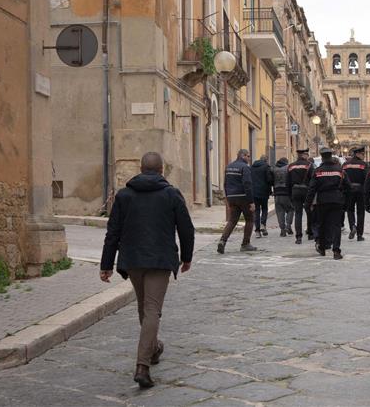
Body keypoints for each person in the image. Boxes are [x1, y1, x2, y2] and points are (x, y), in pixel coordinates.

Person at [100, 152, 195, 389]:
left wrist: (106, 264)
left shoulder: (124, 195)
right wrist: (186, 258)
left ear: (141, 169)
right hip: (160, 259)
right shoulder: (171, 194)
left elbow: (113, 232)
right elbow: (187, 229)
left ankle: (154, 349)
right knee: (152, 310)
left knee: (145, 308)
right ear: (162, 170)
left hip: (132, 260)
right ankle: (142, 366)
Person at [306, 148, 350, 260]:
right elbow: (348, 187)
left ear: (322, 157)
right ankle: (336, 250)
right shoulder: (340, 170)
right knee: (336, 226)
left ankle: (321, 247)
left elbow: (312, 189)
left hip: (322, 201)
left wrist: (308, 203)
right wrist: (345, 200)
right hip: (337, 200)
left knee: (321, 224)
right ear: (331, 156)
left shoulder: (318, 171)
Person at [218, 149, 256, 253]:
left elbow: (225, 183)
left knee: (232, 220)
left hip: (231, 196)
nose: (249, 158)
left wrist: (227, 197)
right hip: (243, 197)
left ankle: (222, 241)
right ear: (243, 156)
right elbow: (247, 184)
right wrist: (251, 202)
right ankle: (245, 244)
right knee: (250, 219)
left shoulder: (229, 166)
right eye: (248, 156)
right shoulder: (245, 167)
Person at [287, 148, 315, 244]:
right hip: (306, 191)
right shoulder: (309, 165)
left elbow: (288, 182)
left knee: (298, 214)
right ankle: (310, 233)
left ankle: (298, 237)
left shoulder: (291, 166)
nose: (307, 156)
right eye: (306, 154)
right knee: (309, 213)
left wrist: (290, 195)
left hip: (295, 191)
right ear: (303, 155)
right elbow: (313, 181)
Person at [342, 146, 369, 241]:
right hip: (360, 190)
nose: (363, 156)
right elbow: (367, 179)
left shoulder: (345, 164)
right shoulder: (363, 164)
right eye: (362, 154)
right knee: (360, 212)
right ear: (357, 154)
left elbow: (342, 178)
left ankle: (352, 226)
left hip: (349, 190)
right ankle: (359, 235)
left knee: (350, 210)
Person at [250, 155, 273, 238]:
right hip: (264, 191)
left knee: (256, 211)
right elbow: (269, 180)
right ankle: (263, 224)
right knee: (264, 208)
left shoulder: (252, 167)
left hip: (254, 192)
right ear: (266, 160)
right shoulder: (266, 167)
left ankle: (257, 231)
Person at [272, 157, 294, 237]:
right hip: (286, 192)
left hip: (277, 193)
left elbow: (271, 180)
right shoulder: (288, 168)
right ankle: (288, 225)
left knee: (279, 212)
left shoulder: (274, 169)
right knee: (290, 209)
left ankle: (282, 230)